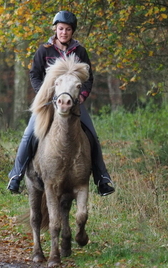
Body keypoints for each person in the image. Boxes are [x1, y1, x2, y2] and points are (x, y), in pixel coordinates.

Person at [7, 10, 115, 197]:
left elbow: (88, 77)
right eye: (61, 29)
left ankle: (102, 178)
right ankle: (16, 175)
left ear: (72, 32)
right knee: (29, 134)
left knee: (92, 136)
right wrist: (45, 93)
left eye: (68, 29)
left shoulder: (80, 51)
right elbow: (34, 74)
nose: (64, 32)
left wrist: (82, 95)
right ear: (55, 29)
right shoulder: (44, 50)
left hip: (72, 102)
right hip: (48, 102)